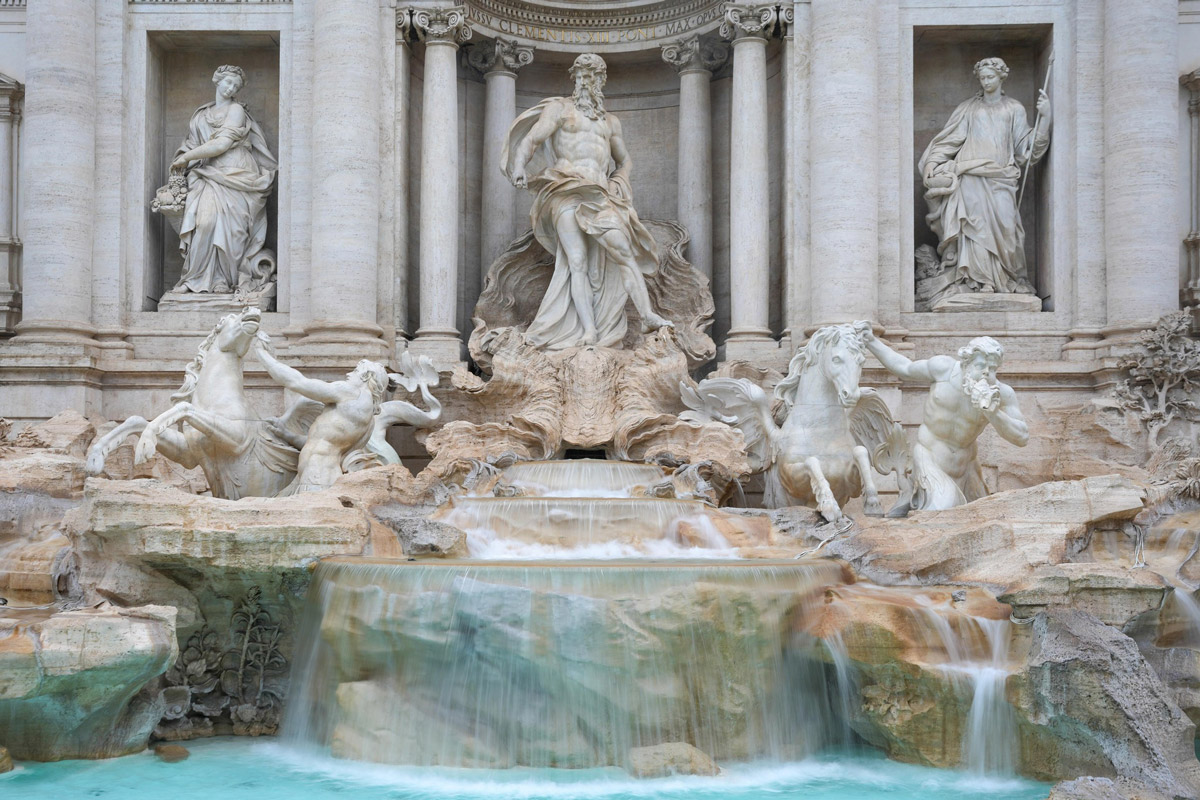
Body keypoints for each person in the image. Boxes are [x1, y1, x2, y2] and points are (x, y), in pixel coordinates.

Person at [501, 53, 673, 350]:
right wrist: (518, 166)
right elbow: (532, 140)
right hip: (565, 189)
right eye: (580, 76)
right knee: (576, 261)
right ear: (574, 78)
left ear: (600, 81)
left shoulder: (610, 122)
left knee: (623, 250)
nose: (584, 82)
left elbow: (624, 160)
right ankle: (589, 331)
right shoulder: (560, 109)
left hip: (599, 194)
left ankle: (646, 315)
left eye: (591, 77)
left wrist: (621, 180)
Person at [919, 57, 1050, 300]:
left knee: (1008, 228)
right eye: (983, 78)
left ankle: (1008, 278)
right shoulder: (969, 108)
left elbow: (1028, 150)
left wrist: (1045, 119)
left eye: (991, 77)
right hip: (970, 176)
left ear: (1002, 77)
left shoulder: (1014, 109)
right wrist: (931, 162)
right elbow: (949, 140)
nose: (987, 81)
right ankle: (977, 281)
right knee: (973, 228)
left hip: (1001, 177)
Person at [860, 326, 1028, 511]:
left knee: (980, 516)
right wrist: (871, 341)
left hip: (967, 467)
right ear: (966, 363)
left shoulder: (1001, 393)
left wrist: (992, 412)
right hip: (930, 458)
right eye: (981, 366)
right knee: (942, 510)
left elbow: (1021, 437)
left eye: (993, 368)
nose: (987, 373)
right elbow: (904, 368)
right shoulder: (943, 369)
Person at [170, 65, 277, 294]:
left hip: (237, 173)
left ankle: (223, 281)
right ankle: (195, 279)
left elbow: (222, 144)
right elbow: (191, 145)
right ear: (216, 80)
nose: (231, 88)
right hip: (208, 174)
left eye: (236, 86)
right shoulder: (200, 116)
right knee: (205, 223)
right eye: (228, 82)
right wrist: (183, 161)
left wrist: (188, 157)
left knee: (233, 231)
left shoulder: (236, 110)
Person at [254, 342, 391, 494]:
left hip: (317, 478)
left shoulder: (351, 392)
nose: (348, 375)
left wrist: (262, 354)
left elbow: (297, 382)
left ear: (366, 376)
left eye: (355, 371)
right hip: (320, 477)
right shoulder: (368, 418)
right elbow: (321, 442)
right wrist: (285, 434)